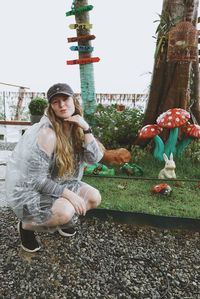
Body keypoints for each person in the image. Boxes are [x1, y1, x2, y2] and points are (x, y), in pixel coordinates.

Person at [6, 83, 103, 253]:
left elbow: (93, 158)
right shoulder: (48, 134)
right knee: (66, 210)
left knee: (94, 197)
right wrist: (71, 196)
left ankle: (62, 221)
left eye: (65, 99)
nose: (62, 105)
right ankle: (26, 225)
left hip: (61, 183)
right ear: (51, 107)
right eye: (56, 101)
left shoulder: (77, 128)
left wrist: (86, 128)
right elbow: (36, 180)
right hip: (34, 191)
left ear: (73, 100)